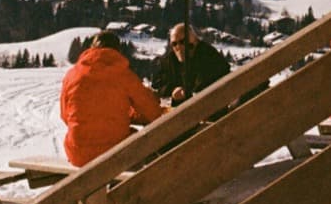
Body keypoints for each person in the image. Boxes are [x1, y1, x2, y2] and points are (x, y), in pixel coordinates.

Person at [60, 31, 164, 166]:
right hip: (115, 153)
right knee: (140, 142)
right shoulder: (123, 74)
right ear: (117, 50)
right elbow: (153, 112)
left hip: (78, 154)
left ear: (92, 48)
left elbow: (65, 116)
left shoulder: (72, 75)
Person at [151, 23, 231, 105]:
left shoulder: (207, 55)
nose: (178, 47)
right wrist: (172, 91)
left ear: (194, 41)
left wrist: (185, 93)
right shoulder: (171, 59)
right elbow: (159, 85)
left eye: (182, 42)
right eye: (174, 44)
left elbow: (203, 87)